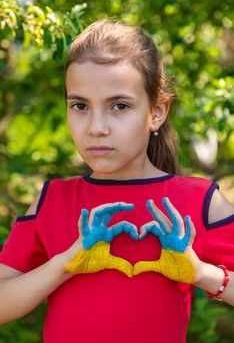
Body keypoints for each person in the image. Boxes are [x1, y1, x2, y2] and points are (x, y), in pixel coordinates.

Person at [0, 19, 234, 343]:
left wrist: (201, 273)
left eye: (119, 106)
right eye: (80, 105)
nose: (96, 127)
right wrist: (67, 263)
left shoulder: (201, 201)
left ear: (157, 111)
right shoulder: (51, 199)